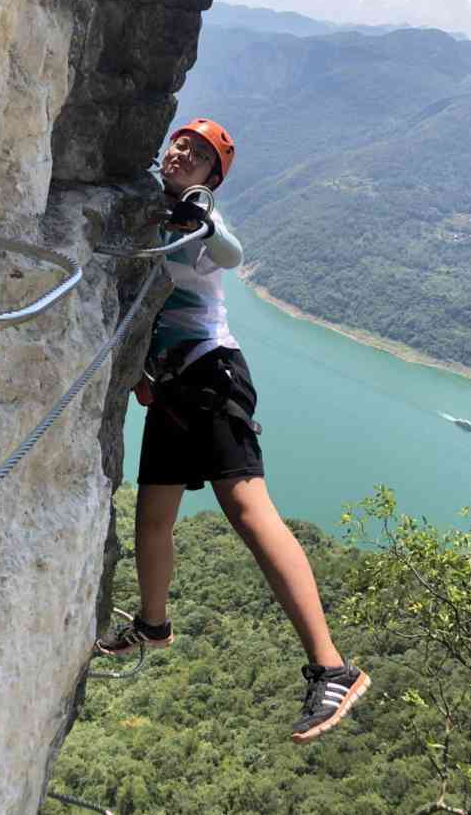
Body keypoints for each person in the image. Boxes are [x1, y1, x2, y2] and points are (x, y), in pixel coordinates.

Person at [96, 118, 370, 743]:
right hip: (172, 389)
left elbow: (230, 252)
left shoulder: (197, 221)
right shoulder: (150, 207)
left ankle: (333, 666)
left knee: (247, 507)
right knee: (152, 515)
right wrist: (141, 370)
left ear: (211, 180)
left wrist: (201, 215)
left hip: (213, 375)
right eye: (178, 143)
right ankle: (154, 624)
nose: (181, 152)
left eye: (198, 156)